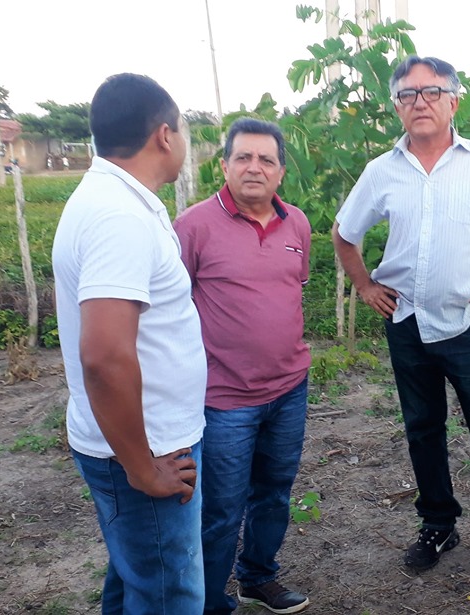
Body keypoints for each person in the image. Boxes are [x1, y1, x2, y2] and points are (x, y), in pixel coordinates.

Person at [332, 55, 470, 595]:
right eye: (407, 95)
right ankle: (438, 526)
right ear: (397, 108)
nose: (420, 103)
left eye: (431, 93)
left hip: (467, 323)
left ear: (455, 101)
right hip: (405, 322)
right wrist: (364, 285)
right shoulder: (381, 171)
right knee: (424, 432)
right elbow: (344, 233)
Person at [52, 73, 206, 613]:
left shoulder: (119, 200)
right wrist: (143, 469)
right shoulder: (119, 217)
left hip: (141, 439)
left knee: (136, 577)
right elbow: (105, 356)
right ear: (165, 135)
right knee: (170, 593)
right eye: (183, 128)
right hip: (148, 449)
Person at [174, 118, 313, 615]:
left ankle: (258, 577)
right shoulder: (192, 226)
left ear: (280, 172)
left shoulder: (296, 222)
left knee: (274, 493)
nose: (255, 167)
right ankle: (210, 601)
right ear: (225, 164)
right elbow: (169, 308)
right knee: (220, 510)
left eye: (266, 159)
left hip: (290, 387)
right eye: (243, 157)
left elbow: (294, 286)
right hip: (225, 398)